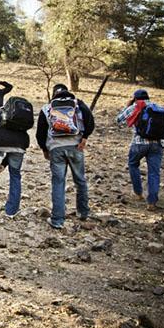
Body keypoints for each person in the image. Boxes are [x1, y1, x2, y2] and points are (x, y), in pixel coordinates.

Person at [36, 83, 95, 229]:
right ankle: (83, 212)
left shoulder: (47, 108)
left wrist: (45, 149)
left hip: (56, 149)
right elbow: (90, 121)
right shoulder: (78, 104)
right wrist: (85, 137)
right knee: (80, 180)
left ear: (54, 93)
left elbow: (40, 133)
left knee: (58, 183)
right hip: (76, 147)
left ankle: (57, 220)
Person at [116, 89, 164, 210]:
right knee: (154, 172)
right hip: (157, 144)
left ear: (135, 98)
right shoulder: (160, 109)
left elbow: (118, 120)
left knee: (133, 164)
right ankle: (152, 202)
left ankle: (138, 193)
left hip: (139, 143)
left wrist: (127, 106)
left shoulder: (135, 107)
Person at [0, 97, 33, 218]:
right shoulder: (18, 119)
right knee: (15, 175)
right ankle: (11, 211)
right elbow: (12, 144)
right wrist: (4, 164)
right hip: (20, 145)